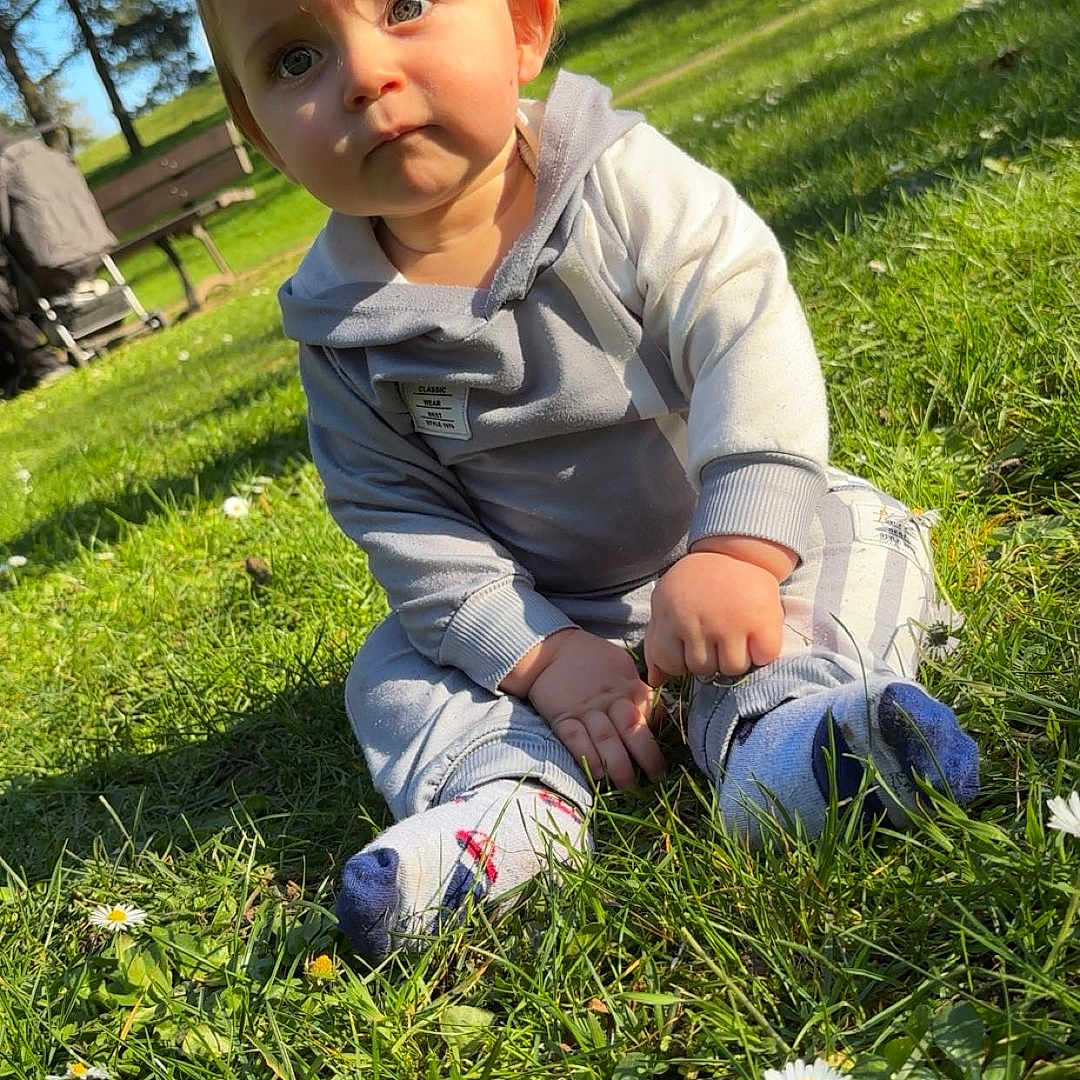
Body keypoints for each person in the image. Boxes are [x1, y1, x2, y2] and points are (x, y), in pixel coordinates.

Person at [194, 0, 979, 961]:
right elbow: (400, 517)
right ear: (266, 142)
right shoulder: (341, 328)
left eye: (404, 7)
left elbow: (745, 332)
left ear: (525, 27)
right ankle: (508, 810)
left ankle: (792, 731)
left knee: (864, 525)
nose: (362, 74)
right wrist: (536, 654)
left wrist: (739, 546)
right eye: (296, 58)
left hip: (727, 539)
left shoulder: (621, 184)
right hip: (542, 606)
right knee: (389, 668)